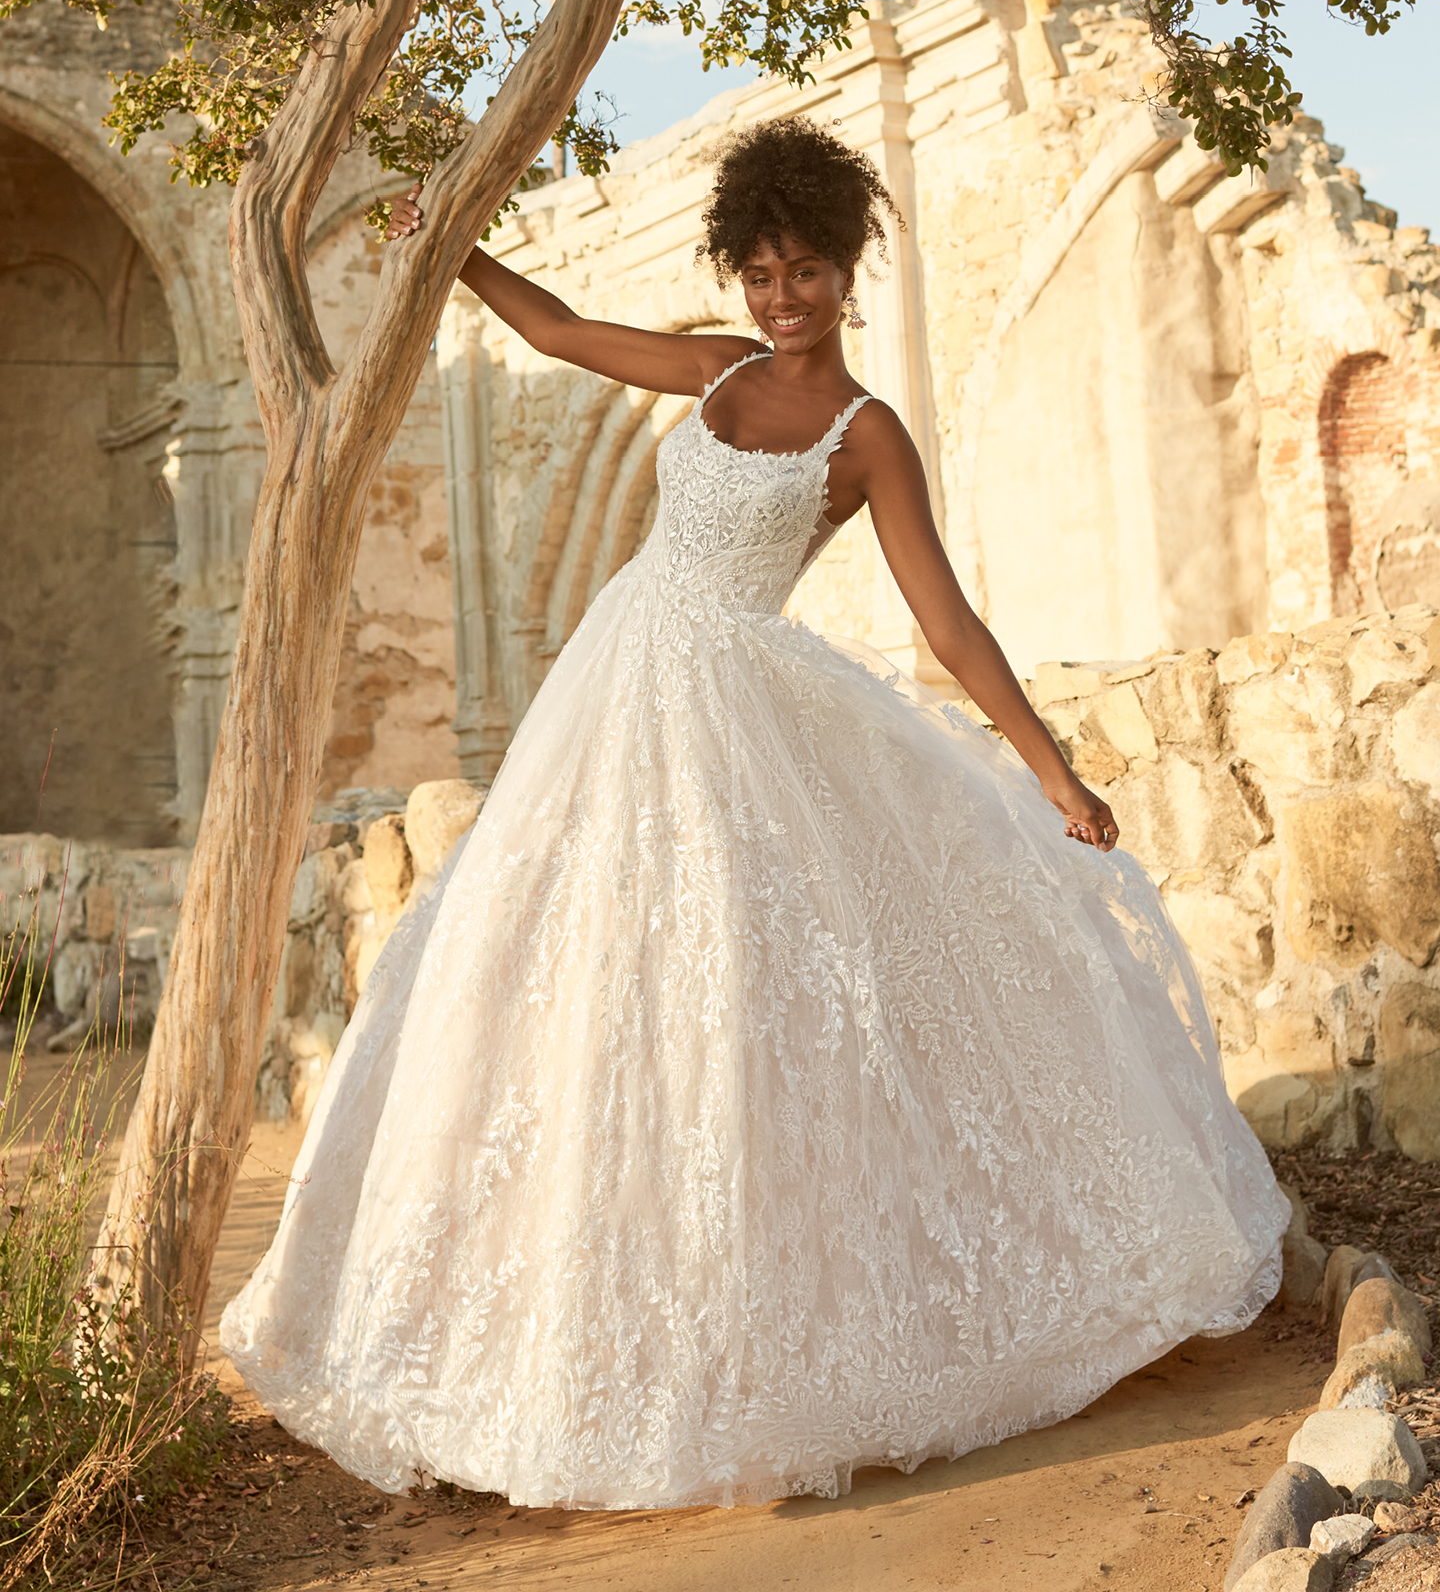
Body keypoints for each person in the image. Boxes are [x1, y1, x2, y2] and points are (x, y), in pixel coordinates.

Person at [221, 118, 1287, 1512]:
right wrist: (451, 243)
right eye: (761, 273)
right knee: (558, 969)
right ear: (738, 273)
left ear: (850, 271)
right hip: (614, 694)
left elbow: (945, 618)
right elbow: (555, 331)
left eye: (807, 274)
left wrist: (1048, 767)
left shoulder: (865, 434)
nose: (783, 299)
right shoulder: (715, 373)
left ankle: (766, 1347)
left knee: (739, 998)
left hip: (735, 717)